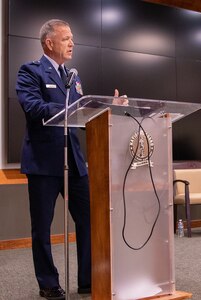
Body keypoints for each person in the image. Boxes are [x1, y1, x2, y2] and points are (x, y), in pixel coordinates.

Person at [16, 19, 96, 299]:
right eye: (66, 39)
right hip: (43, 162)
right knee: (42, 227)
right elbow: (32, 107)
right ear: (49, 43)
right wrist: (69, 107)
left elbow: (82, 114)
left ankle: (88, 280)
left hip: (74, 160)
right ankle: (48, 283)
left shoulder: (73, 76)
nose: (72, 43)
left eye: (72, 38)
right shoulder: (30, 71)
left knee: (89, 220)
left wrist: (106, 108)